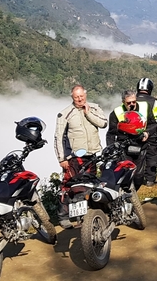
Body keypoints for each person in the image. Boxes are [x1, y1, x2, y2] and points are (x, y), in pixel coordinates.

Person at [54, 85, 107, 226]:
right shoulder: (65, 114)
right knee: (68, 185)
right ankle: (64, 216)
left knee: (90, 184)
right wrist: (62, 158)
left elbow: (103, 123)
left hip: (92, 154)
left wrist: (88, 113)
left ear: (86, 95)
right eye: (76, 97)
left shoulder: (94, 108)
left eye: (81, 96)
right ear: (72, 97)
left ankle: (90, 214)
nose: (79, 99)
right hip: (73, 157)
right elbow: (59, 137)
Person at [107, 90, 151, 187]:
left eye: (134, 102)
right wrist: (111, 149)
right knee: (125, 175)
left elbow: (152, 124)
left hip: (140, 145)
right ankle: (126, 194)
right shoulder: (116, 113)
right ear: (123, 102)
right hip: (124, 147)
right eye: (129, 103)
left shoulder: (144, 107)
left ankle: (134, 191)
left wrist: (147, 132)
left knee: (138, 177)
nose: (132, 104)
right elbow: (111, 133)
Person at [135, 78, 157, 186]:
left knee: (134, 155)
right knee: (151, 155)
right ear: (150, 88)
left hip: (133, 132)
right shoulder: (155, 102)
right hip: (150, 131)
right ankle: (150, 180)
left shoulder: (131, 99)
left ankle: (135, 179)